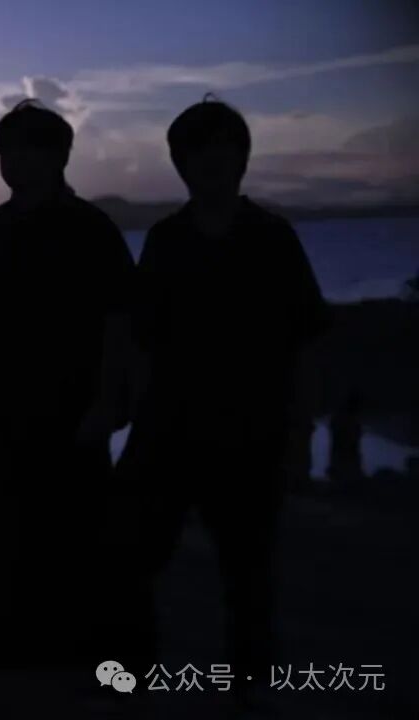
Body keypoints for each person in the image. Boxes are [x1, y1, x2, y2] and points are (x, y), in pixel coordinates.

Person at [117, 96, 329, 704]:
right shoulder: (166, 239)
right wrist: (130, 420)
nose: (209, 164)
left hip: (251, 432)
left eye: (221, 151)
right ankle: (130, 678)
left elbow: (306, 339)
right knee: (130, 554)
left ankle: (251, 690)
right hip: (167, 429)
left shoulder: (272, 237)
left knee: (248, 573)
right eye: (195, 153)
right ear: (180, 163)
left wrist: (300, 433)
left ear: (241, 158)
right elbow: (142, 338)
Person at [0, 100, 135, 667]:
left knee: (78, 534)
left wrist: (107, 402)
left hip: (71, 409)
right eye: (6, 151)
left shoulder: (91, 230)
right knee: (1, 530)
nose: (15, 161)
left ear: (59, 156)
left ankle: (91, 656)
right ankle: (10, 643)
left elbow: (120, 322)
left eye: (29, 150)